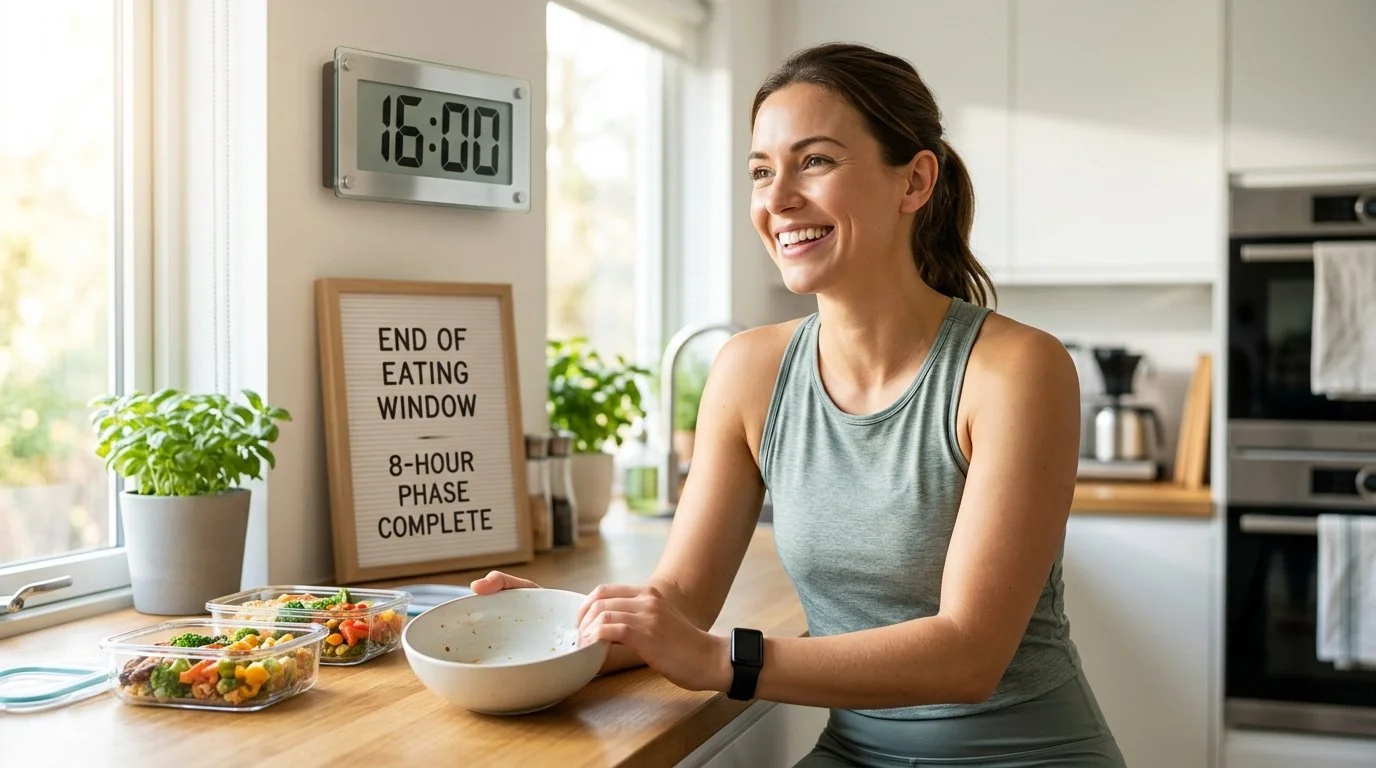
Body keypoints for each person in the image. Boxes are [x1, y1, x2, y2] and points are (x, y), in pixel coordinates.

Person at [473, 42, 1126, 767]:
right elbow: (683, 599)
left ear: (914, 181)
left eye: (815, 161)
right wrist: (565, 630)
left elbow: (967, 655)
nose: (777, 199)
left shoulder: (1014, 370)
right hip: (856, 752)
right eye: (761, 171)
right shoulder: (749, 371)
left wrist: (724, 660)